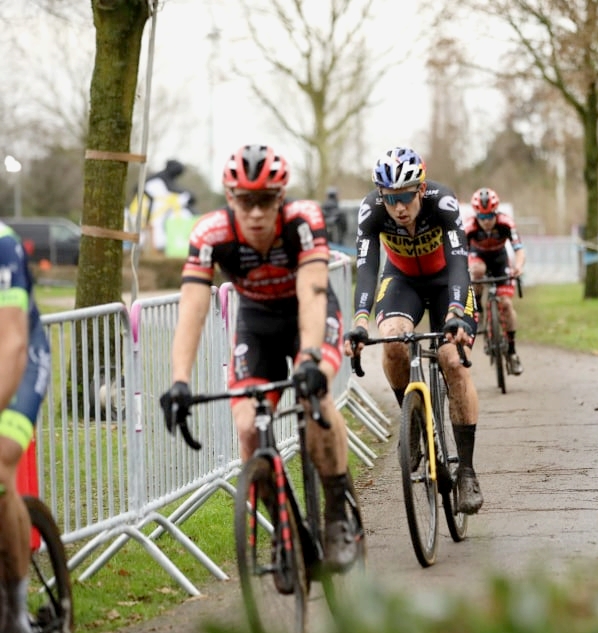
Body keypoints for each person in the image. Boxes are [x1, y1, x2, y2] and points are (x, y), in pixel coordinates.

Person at [159, 144, 358, 572]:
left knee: (315, 399)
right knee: (248, 428)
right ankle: (282, 530)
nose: (255, 212)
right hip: (257, 323)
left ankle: (339, 512)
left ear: (280, 197)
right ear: (230, 198)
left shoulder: (303, 221)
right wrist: (179, 381)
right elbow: (192, 309)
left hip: (310, 314)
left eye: (265, 200)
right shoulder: (210, 235)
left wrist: (309, 359)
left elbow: (312, 293)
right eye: (245, 201)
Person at [343, 146, 484, 515]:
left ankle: (467, 470)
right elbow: (367, 268)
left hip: (446, 283)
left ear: (421, 190)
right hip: (402, 279)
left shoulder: (444, 203)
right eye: (391, 199)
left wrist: (455, 311)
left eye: (406, 197)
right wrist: (359, 320)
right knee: (391, 341)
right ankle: (415, 420)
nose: (399, 207)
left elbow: (459, 263)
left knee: (451, 358)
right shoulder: (372, 211)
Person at [0, 221, 52, 633]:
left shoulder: (3, 245)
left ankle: (16, 612)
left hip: (18, 357)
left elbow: (13, 342)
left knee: (0, 465)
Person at [464, 187, 526, 375]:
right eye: (482, 217)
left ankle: (513, 353)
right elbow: (459, 254)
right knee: (477, 271)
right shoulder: (469, 227)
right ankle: (480, 311)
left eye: (490, 216)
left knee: (506, 304)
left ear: (496, 212)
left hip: (500, 260)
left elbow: (519, 249)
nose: (487, 221)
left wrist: (519, 266)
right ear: (476, 215)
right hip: (478, 257)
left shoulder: (506, 223)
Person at [125, 159, 194, 253]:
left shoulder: (163, 179)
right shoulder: (159, 179)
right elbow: (171, 188)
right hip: (144, 211)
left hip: (152, 213)